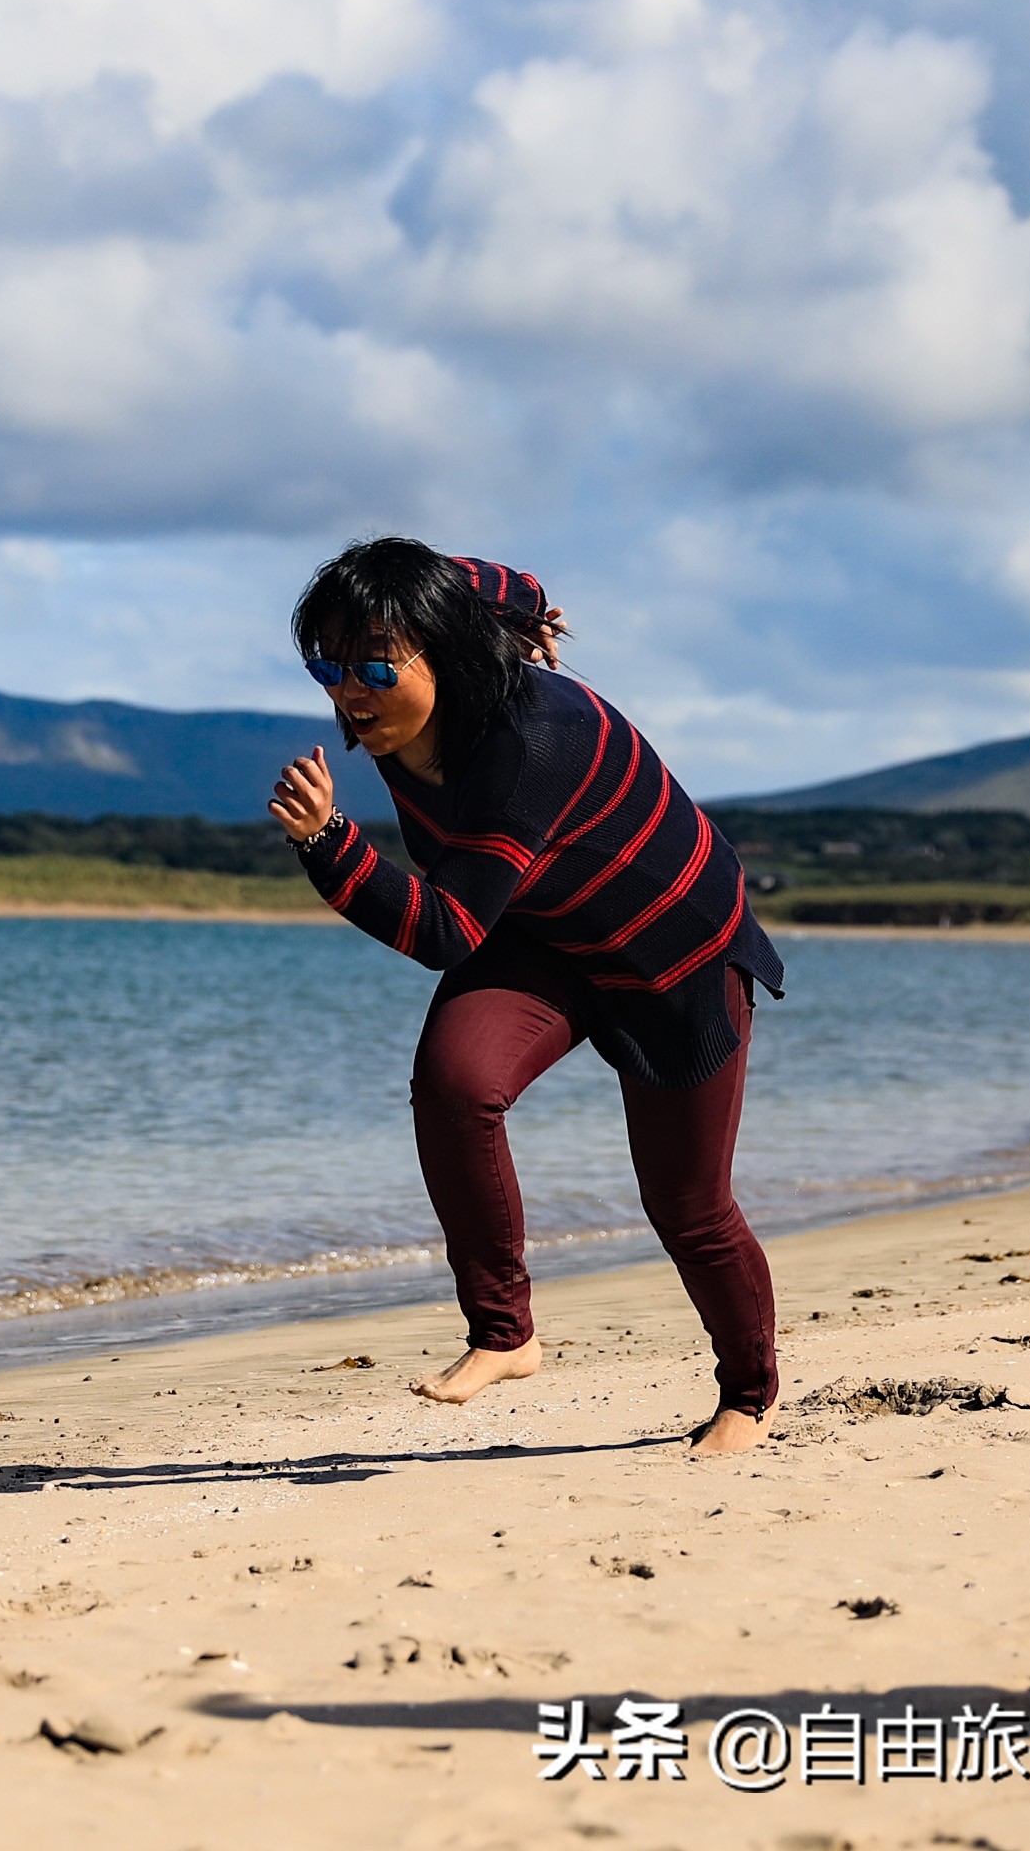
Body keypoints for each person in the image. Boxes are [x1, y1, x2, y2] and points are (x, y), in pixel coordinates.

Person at [265, 538, 786, 1455]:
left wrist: (330, 843)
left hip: (672, 953)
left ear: (443, 649)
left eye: (376, 668)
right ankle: (505, 1333)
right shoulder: (421, 663)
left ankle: (749, 1395)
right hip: (542, 932)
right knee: (456, 1082)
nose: (350, 690)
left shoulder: (527, 747)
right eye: (329, 667)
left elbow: (445, 933)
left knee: (689, 1205)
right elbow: (493, 583)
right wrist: (527, 610)